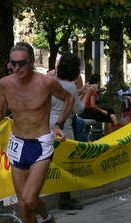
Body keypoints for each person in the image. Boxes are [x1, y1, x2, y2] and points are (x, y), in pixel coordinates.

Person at [0, 42, 75, 223]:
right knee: (22, 203)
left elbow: (69, 99)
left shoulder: (47, 82)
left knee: (30, 199)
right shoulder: (5, 84)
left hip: (41, 143)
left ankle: (47, 218)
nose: (17, 68)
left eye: (22, 63)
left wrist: (59, 124)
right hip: (17, 143)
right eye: (14, 63)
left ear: (31, 62)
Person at [48, 53, 90, 210]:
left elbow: (63, 96)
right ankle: (64, 197)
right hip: (63, 126)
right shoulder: (71, 86)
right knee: (66, 162)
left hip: (47, 124)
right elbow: (78, 108)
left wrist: (80, 91)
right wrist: (87, 94)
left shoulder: (52, 82)